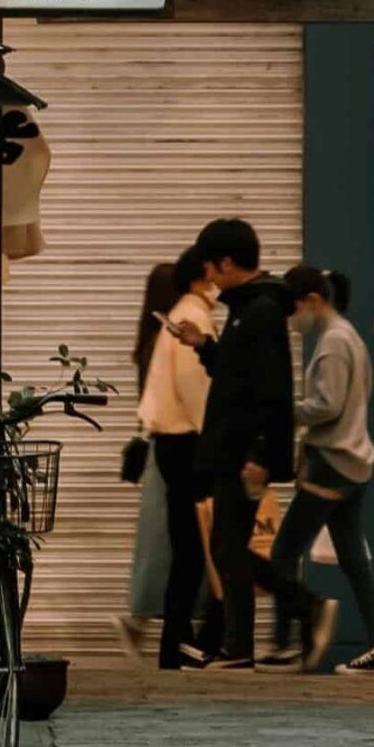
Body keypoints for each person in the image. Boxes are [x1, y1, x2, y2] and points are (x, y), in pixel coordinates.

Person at [251, 266, 374, 674]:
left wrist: (284, 412)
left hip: (331, 463)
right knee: (354, 560)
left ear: (313, 300)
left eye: (293, 308)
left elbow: (327, 405)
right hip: (353, 462)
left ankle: (284, 646)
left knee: (284, 551)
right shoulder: (350, 337)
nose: (291, 318)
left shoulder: (333, 342)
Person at [167, 218, 296, 670]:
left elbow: (271, 388)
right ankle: (241, 642)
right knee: (227, 546)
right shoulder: (246, 310)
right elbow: (237, 372)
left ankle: (244, 644)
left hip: (243, 451)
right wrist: (202, 344)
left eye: (212, 265)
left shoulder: (261, 311)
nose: (210, 276)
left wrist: (261, 455)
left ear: (227, 261)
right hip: (233, 449)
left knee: (228, 546)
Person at [130, 251, 217, 669]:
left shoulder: (177, 316)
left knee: (186, 545)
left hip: (170, 442)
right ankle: (180, 643)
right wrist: (213, 436)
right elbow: (193, 385)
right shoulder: (191, 316)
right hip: (186, 443)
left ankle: (179, 641)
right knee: (191, 548)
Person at [118, 260, 185, 657]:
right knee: (166, 538)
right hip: (171, 444)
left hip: (161, 445)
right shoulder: (167, 340)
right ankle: (140, 618)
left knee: (161, 537)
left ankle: (144, 620)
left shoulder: (149, 339)